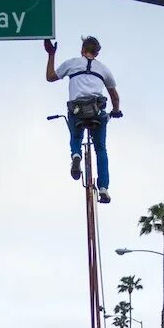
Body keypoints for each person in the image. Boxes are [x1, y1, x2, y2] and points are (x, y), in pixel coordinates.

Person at [44, 35, 122, 204]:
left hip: (77, 109)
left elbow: (50, 77)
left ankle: (76, 154)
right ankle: (103, 188)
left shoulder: (72, 63)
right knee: (101, 149)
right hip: (96, 111)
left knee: (76, 137)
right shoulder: (104, 69)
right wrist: (116, 111)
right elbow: (114, 97)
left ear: (82, 50)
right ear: (97, 53)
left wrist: (51, 54)